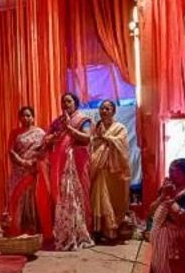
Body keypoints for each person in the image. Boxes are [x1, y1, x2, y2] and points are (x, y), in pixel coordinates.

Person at [43, 93, 93, 250]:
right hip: (59, 163)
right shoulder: (57, 122)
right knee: (62, 197)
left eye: (69, 101)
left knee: (79, 195)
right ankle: (64, 233)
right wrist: (52, 138)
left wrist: (69, 128)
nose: (65, 104)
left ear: (75, 103)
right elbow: (47, 138)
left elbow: (87, 138)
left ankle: (81, 232)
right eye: (63, 101)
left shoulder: (83, 120)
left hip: (77, 162)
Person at [89, 99, 131, 244]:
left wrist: (105, 138)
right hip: (98, 169)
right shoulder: (95, 127)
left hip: (114, 171)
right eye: (102, 108)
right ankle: (98, 231)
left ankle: (111, 232)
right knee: (98, 200)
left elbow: (122, 145)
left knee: (113, 200)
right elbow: (91, 144)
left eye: (107, 109)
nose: (104, 111)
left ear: (113, 111)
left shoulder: (120, 128)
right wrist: (98, 140)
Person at [6, 106, 51, 238]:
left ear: (33, 117)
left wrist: (33, 162)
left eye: (28, 115)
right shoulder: (15, 133)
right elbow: (11, 151)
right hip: (19, 171)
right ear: (19, 118)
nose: (26, 118)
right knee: (18, 198)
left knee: (31, 200)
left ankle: (33, 229)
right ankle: (19, 229)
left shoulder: (40, 133)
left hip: (33, 171)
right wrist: (22, 162)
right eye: (23, 116)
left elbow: (43, 151)